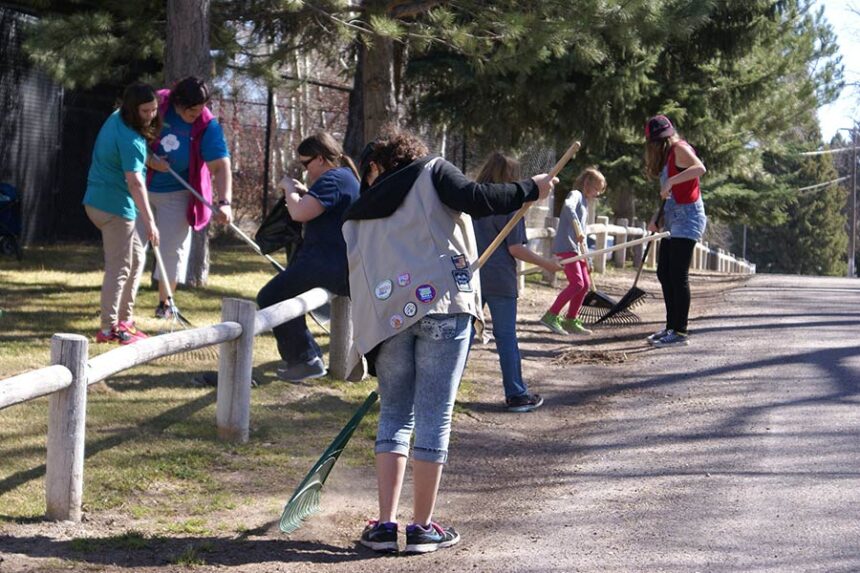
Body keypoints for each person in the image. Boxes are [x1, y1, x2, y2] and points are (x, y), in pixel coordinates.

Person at [342, 126, 557, 554]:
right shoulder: (432, 171)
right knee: (433, 415)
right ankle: (421, 527)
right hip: (443, 305)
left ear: (377, 166)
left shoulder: (358, 212)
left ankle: (385, 526)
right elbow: (476, 198)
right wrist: (530, 189)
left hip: (389, 320)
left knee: (394, 416)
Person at [256, 131, 360, 381]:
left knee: (271, 296)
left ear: (321, 158)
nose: (306, 170)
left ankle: (305, 360)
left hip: (326, 264)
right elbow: (320, 207)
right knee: (282, 293)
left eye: (306, 164)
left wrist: (289, 189)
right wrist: (304, 191)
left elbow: (299, 213)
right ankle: (308, 356)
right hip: (340, 264)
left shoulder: (332, 179)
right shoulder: (346, 177)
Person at [472, 152, 562, 413]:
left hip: (471, 278)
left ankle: (442, 393)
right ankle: (516, 395)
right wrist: (547, 264)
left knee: (463, 336)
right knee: (506, 338)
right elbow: (515, 248)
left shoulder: (472, 202)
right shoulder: (511, 206)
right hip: (500, 280)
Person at [142, 76, 233, 319]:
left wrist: (224, 202)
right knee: (132, 249)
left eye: (201, 109)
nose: (197, 114)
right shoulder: (157, 103)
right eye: (192, 110)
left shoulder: (207, 125)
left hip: (177, 193)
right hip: (139, 188)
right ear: (177, 103)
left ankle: (165, 306)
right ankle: (122, 312)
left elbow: (220, 165)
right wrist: (150, 161)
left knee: (172, 251)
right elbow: (130, 135)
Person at [83, 82, 161, 345]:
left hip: (97, 201)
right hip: (113, 208)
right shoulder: (131, 139)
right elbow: (135, 183)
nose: (151, 115)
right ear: (132, 109)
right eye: (145, 111)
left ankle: (125, 321)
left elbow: (131, 155)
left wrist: (152, 161)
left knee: (137, 259)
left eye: (154, 109)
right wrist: (150, 222)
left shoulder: (117, 118)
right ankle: (109, 329)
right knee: (120, 267)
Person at [644, 114, 707, 347]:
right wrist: (656, 218)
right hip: (672, 218)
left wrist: (671, 181)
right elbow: (668, 197)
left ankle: (680, 331)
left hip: (688, 218)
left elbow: (700, 168)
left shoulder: (679, 148)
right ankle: (671, 326)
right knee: (664, 272)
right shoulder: (667, 156)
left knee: (678, 275)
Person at [540, 167, 607, 336]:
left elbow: (582, 235)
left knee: (584, 285)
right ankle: (551, 315)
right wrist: (576, 225)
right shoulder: (575, 194)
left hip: (577, 250)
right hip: (566, 246)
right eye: (596, 189)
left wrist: (588, 260)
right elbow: (568, 207)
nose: (597, 194)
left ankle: (570, 319)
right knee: (577, 283)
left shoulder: (585, 202)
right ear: (587, 183)